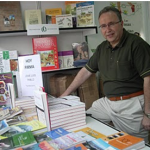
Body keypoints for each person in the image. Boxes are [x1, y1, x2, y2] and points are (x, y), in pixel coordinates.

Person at [60, 6, 150, 143]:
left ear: (121, 23)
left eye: (111, 24)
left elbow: (148, 79)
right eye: (103, 26)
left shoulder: (137, 45)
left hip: (131, 105)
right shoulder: (103, 48)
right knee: (85, 121)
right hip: (108, 103)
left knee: (133, 144)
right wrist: (64, 96)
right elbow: (85, 71)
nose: (107, 30)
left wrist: (148, 113)